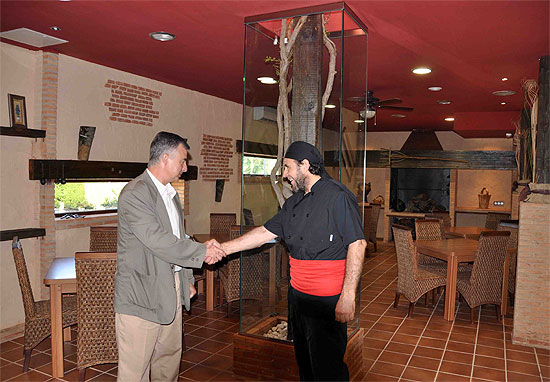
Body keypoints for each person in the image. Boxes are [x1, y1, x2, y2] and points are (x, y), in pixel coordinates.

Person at [221, 141, 366, 381]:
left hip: (327, 302)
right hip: (297, 300)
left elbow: (357, 244)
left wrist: (348, 295)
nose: (284, 174)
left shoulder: (338, 197)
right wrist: (223, 248)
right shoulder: (293, 203)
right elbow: (263, 234)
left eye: (287, 167)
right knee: (305, 365)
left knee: (328, 370)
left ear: (305, 165)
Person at [114, 131, 225, 382]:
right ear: (165, 158)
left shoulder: (171, 195)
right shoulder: (134, 194)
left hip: (170, 289)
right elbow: (158, 241)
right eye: (182, 161)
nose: (185, 168)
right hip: (141, 296)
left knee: (168, 364)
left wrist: (186, 279)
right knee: (135, 373)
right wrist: (202, 251)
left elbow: (178, 237)